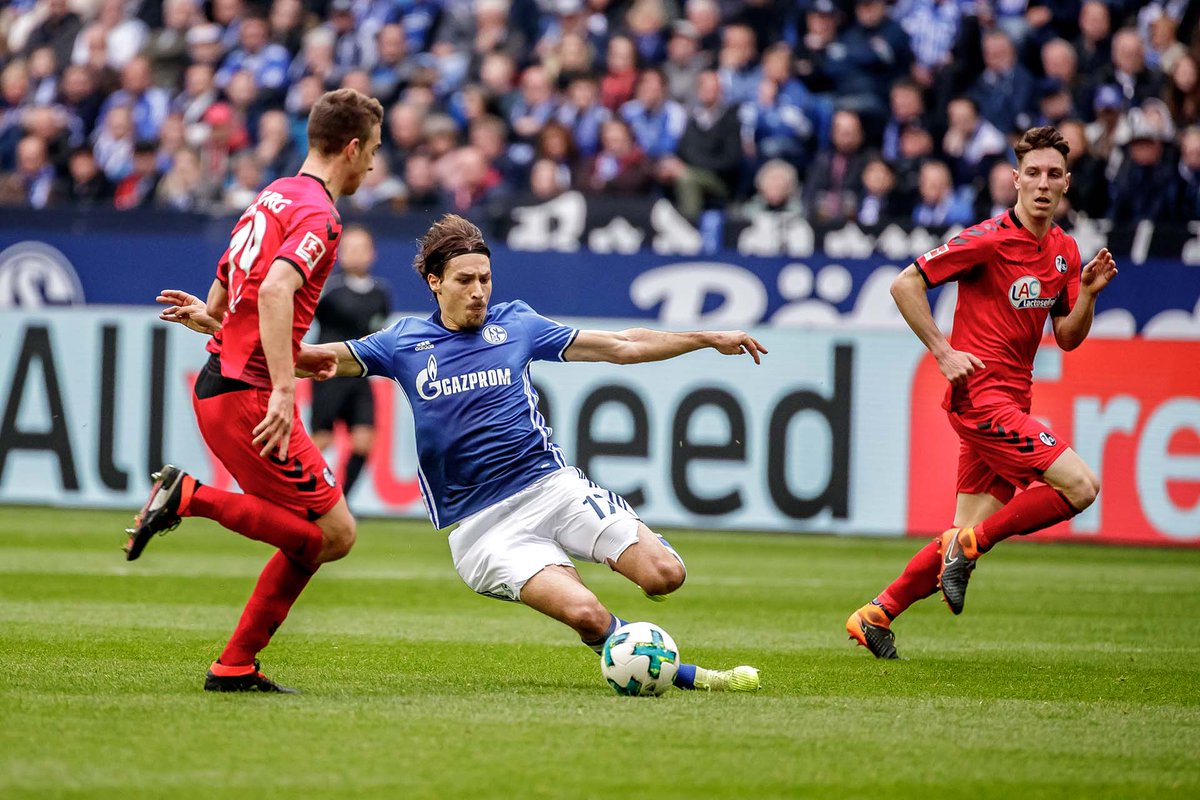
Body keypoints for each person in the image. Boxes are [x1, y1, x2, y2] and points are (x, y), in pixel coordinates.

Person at [306, 213, 764, 692]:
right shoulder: (403, 343)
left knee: (665, 576)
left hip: (552, 489)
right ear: (435, 282)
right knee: (587, 615)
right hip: (484, 530)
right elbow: (318, 358)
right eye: (464, 281)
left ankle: (642, 551)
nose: (479, 291)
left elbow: (622, 345)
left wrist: (706, 338)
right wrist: (253, 343)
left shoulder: (516, 324)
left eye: (485, 279)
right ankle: (689, 675)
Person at [125, 88, 384, 693]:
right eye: (372, 151)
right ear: (351, 148)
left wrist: (217, 319)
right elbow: (272, 291)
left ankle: (235, 665)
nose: (373, 165)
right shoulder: (321, 216)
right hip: (249, 397)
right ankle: (189, 496)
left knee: (312, 539)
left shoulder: (273, 194)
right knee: (337, 534)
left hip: (224, 384)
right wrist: (284, 390)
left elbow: (228, 285)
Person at [846, 126, 1119, 659]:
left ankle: (876, 614)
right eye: (1033, 173)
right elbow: (904, 284)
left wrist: (1087, 295)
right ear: (1015, 179)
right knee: (1082, 487)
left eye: (1054, 174)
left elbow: (1067, 337)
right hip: (980, 399)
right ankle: (970, 549)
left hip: (1013, 402)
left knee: (962, 528)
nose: (1043, 184)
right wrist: (943, 352)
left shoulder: (1064, 250)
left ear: (1067, 183)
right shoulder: (987, 239)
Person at [310, 225, 392, 502]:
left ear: (372, 254)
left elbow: (379, 328)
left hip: (359, 375)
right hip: (328, 374)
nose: (356, 254)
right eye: (350, 249)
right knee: (322, 439)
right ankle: (294, 495)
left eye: (361, 248)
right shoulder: (330, 289)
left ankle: (340, 502)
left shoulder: (380, 293)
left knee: (364, 440)